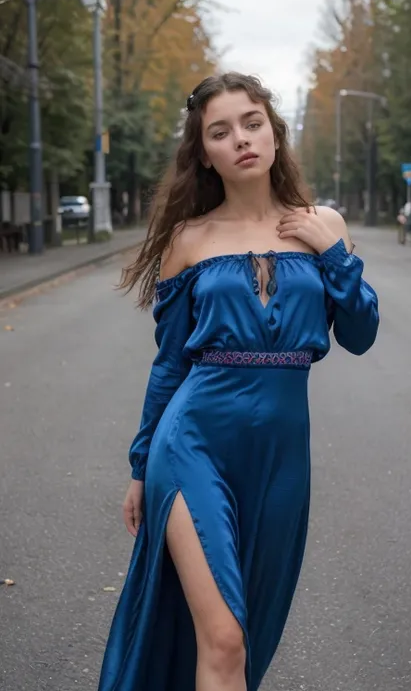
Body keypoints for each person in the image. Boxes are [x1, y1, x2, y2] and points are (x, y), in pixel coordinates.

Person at [98, 72, 379, 691]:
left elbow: (360, 335)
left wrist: (331, 254)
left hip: (281, 456)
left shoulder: (323, 223)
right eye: (220, 133)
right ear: (205, 154)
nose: (241, 140)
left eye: (253, 123)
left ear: (274, 133)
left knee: (247, 633)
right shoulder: (189, 240)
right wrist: (142, 467)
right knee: (222, 636)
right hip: (192, 444)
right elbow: (170, 363)